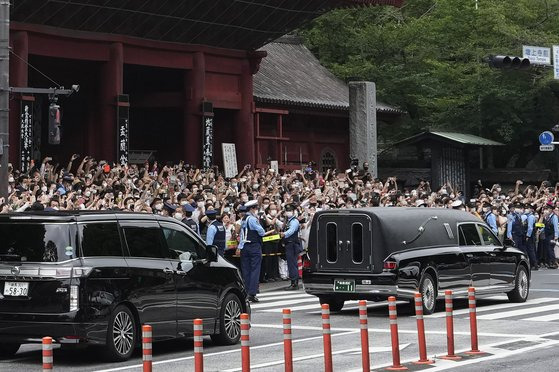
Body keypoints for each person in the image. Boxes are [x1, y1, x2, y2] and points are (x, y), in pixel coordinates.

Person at [237, 200, 267, 302]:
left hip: (245, 246)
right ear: (252, 208)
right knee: (255, 269)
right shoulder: (252, 219)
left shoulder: (243, 219)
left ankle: (246, 291)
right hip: (254, 246)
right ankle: (252, 293)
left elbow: (242, 235)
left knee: (246, 270)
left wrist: (240, 247)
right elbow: (262, 232)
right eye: (256, 208)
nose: (256, 210)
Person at [281, 204, 303, 290]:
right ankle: (294, 282)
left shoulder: (294, 221)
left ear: (293, 211)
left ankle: (294, 283)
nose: (288, 212)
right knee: (291, 263)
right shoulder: (288, 221)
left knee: (292, 264)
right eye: (287, 211)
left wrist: (284, 234)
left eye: (289, 210)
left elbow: (291, 231)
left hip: (292, 244)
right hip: (289, 244)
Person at [523, 204, 538, 270]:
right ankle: (532, 264)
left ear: (530, 209)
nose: (525, 209)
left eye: (527, 208)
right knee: (529, 250)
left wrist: (527, 236)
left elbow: (530, 228)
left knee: (531, 250)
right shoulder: (527, 216)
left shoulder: (531, 217)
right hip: (528, 235)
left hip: (530, 235)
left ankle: (534, 264)